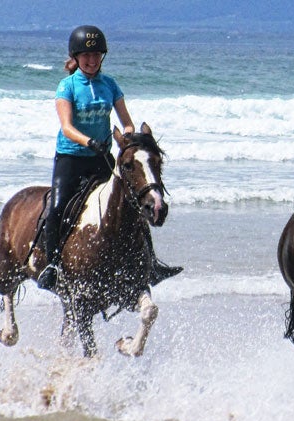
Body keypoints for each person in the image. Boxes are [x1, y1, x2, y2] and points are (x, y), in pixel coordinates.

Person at [37, 25, 180, 291]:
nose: (92, 61)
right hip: (72, 158)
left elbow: (126, 121)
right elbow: (67, 127)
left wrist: (128, 137)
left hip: (101, 160)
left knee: (132, 204)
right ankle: (52, 266)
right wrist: (89, 141)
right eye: (87, 56)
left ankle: (151, 264)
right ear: (76, 57)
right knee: (57, 208)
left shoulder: (110, 84)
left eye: (97, 55)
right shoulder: (66, 86)